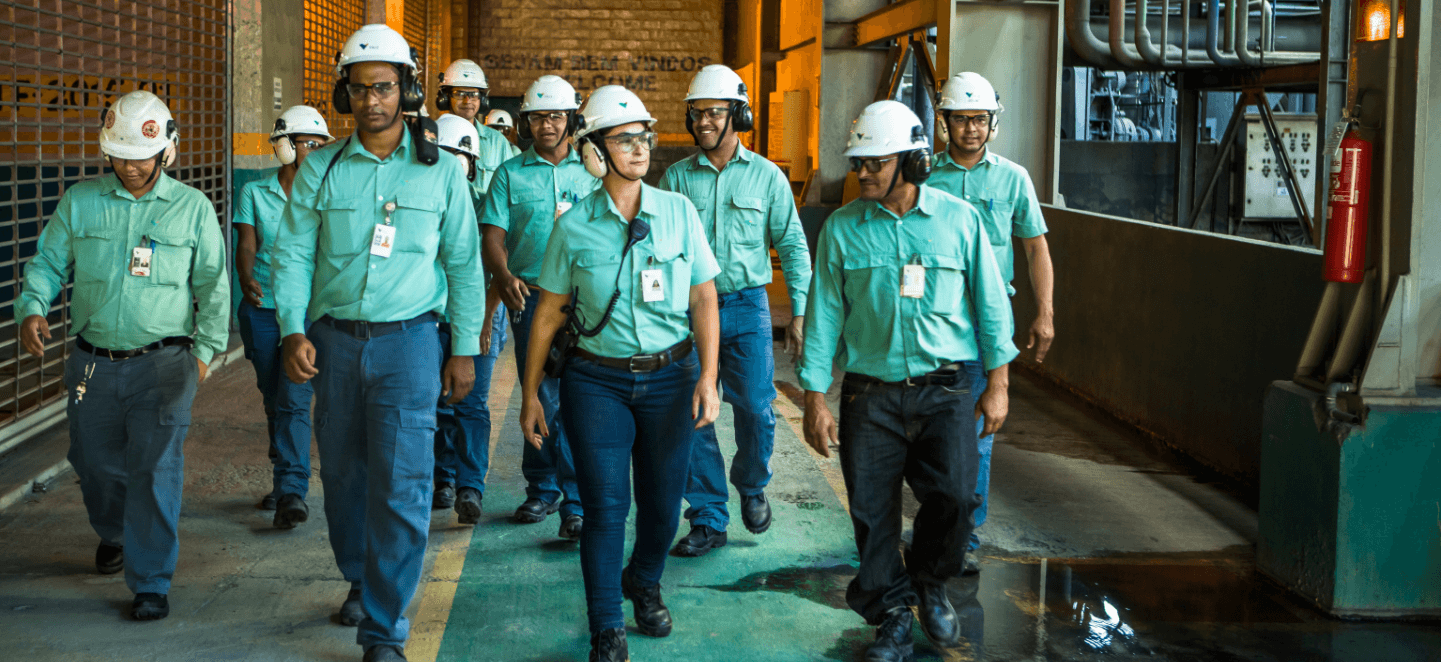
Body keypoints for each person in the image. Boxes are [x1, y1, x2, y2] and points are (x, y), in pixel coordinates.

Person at [270, 24, 484, 662]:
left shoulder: (442, 172)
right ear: (346, 94)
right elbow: (292, 257)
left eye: (385, 88)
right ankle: (362, 579)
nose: (372, 101)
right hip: (333, 345)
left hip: (410, 346)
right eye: (360, 90)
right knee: (342, 477)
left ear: (408, 88)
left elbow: (466, 264)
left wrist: (465, 348)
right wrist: (290, 330)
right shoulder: (321, 170)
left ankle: (385, 628)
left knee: (403, 483)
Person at [799, 100, 1017, 661]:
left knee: (957, 498)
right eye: (859, 163)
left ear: (911, 163)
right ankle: (892, 615)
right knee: (872, 515)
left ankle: (930, 582)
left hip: (945, 391)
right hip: (869, 394)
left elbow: (991, 306)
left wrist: (999, 383)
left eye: (874, 162)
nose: (862, 173)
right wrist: (814, 398)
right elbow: (824, 314)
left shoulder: (958, 219)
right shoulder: (843, 230)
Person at [518, 85, 720, 662]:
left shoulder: (679, 212)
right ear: (597, 150)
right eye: (625, 138)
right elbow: (549, 313)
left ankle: (644, 580)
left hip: (671, 378)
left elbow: (703, 299)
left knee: (662, 506)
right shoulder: (573, 227)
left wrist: (707, 376)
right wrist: (530, 393)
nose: (640, 147)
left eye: (644, 137)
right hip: (596, 382)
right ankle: (606, 623)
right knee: (607, 506)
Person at [15, 90, 229, 621]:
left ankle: (151, 579)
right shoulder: (81, 200)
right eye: (120, 155)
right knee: (93, 463)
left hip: (165, 363)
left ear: (167, 152)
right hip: (92, 364)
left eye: (141, 157)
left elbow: (214, 286)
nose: (131, 167)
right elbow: (46, 262)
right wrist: (32, 307)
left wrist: (204, 353)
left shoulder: (192, 208)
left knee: (157, 470)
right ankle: (114, 531)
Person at [660, 64, 811, 556]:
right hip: (687, 309)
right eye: (696, 113)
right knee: (695, 411)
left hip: (747, 306)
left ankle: (751, 482)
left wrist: (803, 311)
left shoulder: (768, 177)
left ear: (737, 115)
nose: (702, 122)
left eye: (713, 112)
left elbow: (792, 244)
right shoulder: (676, 178)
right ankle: (707, 515)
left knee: (756, 408)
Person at [929, 72, 1054, 573]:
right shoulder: (924, 177)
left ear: (992, 124)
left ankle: (964, 535)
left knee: (980, 428)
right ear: (945, 124)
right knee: (931, 424)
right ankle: (939, 515)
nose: (971, 130)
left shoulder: (1013, 179)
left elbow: (1035, 246)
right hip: (934, 318)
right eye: (961, 120)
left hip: (989, 319)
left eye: (979, 119)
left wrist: (1045, 311)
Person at [481, 74, 596, 536]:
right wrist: (504, 277)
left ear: (572, 119)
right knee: (540, 393)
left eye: (555, 116)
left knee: (580, 396)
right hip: (531, 297)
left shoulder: (592, 170)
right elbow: (493, 233)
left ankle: (574, 498)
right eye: (538, 117)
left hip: (586, 302)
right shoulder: (510, 172)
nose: (547, 125)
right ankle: (545, 491)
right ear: (526, 122)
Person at [234, 104, 330, 527]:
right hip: (261, 309)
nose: (316, 150)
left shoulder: (331, 195)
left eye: (321, 143)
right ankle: (284, 471)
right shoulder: (255, 192)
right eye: (309, 142)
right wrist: (246, 277)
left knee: (293, 400)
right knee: (273, 397)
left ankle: (292, 489)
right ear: (286, 147)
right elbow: (247, 244)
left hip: (307, 314)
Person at [431, 113, 510, 525]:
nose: (449, 164)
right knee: (437, 402)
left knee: (472, 403)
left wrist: (484, 317)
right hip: (429, 317)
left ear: (472, 162)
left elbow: (498, 264)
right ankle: (442, 479)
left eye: (458, 157)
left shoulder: (483, 206)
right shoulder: (422, 205)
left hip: (477, 316)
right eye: (442, 154)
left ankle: (470, 487)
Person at [435, 58, 520, 198]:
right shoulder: (432, 136)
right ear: (445, 97)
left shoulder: (498, 143)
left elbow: (512, 191)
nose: (466, 101)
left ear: (483, 99)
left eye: (473, 94)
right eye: (459, 93)